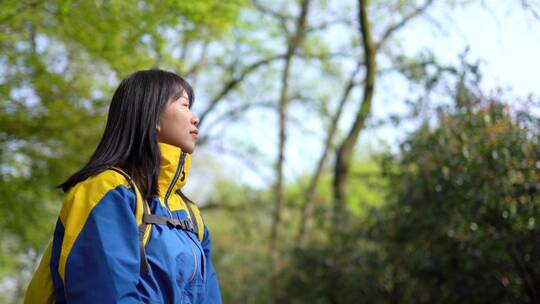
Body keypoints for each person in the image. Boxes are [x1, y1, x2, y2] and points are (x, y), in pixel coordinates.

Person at [24, 69, 221, 303]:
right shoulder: (107, 190)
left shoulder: (192, 215)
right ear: (153, 117)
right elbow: (104, 295)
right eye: (184, 105)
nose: (194, 117)